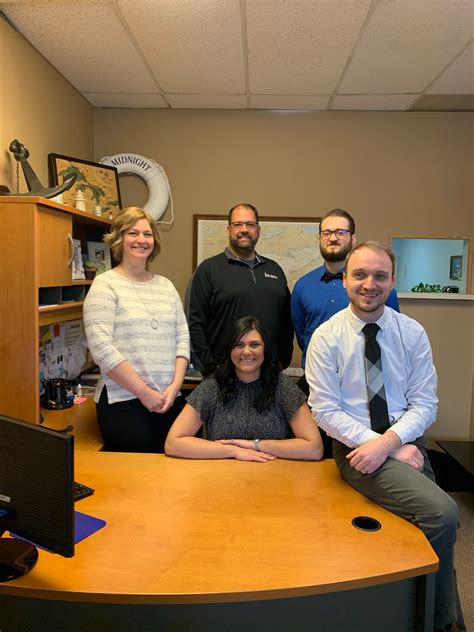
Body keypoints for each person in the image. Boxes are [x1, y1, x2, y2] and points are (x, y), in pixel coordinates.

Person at [305, 241, 464, 631]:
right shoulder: (326, 337)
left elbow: (425, 404)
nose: (369, 284)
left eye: (380, 276)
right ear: (344, 280)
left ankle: (429, 616)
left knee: (436, 522)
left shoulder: (411, 333)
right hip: (355, 449)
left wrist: (390, 444)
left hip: (406, 443)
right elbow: (325, 412)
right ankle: (443, 622)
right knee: (443, 514)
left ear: (392, 282)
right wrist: (381, 447)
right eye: (360, 275)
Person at [292, 208, 400, 456]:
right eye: (327, 232)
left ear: (353, 237)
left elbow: (389, 334)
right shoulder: (302, 286)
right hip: (317, 387)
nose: (333, 238)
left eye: (340, 232)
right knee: (319, 458)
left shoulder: (377, 289)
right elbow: (302, 333)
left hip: (365, 388)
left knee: (365, 456)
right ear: (320, 238)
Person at [83, 206, 190, 453]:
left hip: (168, 400)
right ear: (119, 239)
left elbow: (182, 338)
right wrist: (143, 392)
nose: (141, 240)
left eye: (147, 234)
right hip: (123, 402)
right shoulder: (105, 285)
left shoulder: (166, 286)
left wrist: (175, 387)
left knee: (170, 470)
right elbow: (101, 348)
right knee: (134, 474)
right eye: (133, 233)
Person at [165, 317, 323, 462]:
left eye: (254, 345)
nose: (246, 351)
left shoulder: (283, 386)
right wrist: (234, 450)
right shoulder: (212, 386)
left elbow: (314, 448)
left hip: (272, 473)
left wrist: (255, 445)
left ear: (265, 349)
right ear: (230, 350)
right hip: (220, 476)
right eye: (238, 345)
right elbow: (173, 443)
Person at [188, 203, 293, 375]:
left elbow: (287, 322)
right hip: (223, 376)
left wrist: (283, 360)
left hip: (269, 375)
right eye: (237, 224)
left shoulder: (275, 270)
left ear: (258, 230)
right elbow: (195, 323)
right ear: (228, 230)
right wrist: (211, 369)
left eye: (250, 225)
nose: (244, 230)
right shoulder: (208, 270)